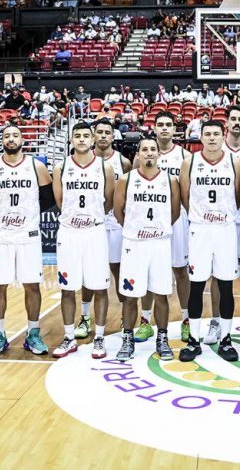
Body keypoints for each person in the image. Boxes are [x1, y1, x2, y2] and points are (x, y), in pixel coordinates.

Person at [0, 126, 54, 358]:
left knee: (32, 285)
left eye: (15, 136)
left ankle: (33, 333)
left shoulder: (37, 166)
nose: (11, 139)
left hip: (28, 237)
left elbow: (48, 199)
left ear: (23, 140)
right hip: (1, 237)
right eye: (6, 136)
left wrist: (27, 215)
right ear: (1, 141)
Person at [178, 119, 240, 362]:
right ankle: (194, 339)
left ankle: (226, 339)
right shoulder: (190, 162)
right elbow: (185, 197)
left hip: (225, 229)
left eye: (217, 133)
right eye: (208, 134)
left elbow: (237, 196)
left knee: (225, 285)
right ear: (201, 137)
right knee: (197, 284)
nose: (213, 138)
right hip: (200, 230)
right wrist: (201, 216)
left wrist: (221, 216)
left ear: (223, 135)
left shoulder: (234, 162)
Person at [51, 122, 115, 359]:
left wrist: (90, 219)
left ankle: (99, 337)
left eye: (85, 136)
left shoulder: (104, 167)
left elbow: (108, 201)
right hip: (69, 233)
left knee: (99, 287)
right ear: (71, 140)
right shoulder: (61, 167)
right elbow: (59, 201)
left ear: (92, 139)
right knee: (67, 288)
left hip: (95, 232)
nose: (81, 139)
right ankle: (69, 337)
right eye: (76, 136)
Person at [113, 138, 181, 361]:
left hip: (160, 243)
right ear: (138, 155)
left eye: (153, 149)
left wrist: (157, 230)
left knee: (161, 294)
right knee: (130, 296)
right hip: (134, 243)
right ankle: (128, 338)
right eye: (145, 149)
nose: (149, 153)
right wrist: (136, 230)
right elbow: (117, 211)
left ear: (158, 154)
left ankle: (162, 338)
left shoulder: (170, 180)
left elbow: (175, 212)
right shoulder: (126, 179)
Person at [203, 105, 240, 344]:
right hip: (224, 222)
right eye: (233, 119)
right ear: (226, 123)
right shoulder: (217, 151)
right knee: (218, 276)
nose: (237, 123)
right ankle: (216, 323)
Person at [132, 112, 191, 343]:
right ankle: (145, 321)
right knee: (147, 272)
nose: (164, 128)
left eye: (168, 125)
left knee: (180, 270)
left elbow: (186, 193)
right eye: (160, 125)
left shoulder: (185, 156)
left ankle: (186, 320)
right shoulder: (142, 156)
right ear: (154, 128)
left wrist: (178, 218)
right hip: (149, 223)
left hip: (176, 220)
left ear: (174, 129)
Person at [74, 119, 133, 338]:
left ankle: (124, 317)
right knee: (89, 272)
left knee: (119, 270)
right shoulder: (79, 163)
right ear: (92, 135)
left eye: (107, 132)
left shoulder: (124, 162)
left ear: (113, 136)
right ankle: (85, 316)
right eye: (99, 132)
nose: (103, 136)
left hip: (115, 222)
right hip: (91, 223)